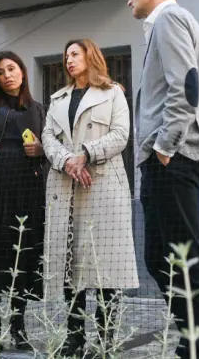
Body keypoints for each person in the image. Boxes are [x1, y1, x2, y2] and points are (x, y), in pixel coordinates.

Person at [128, 0, 199, 359]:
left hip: (171, 156)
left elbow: (186, 86)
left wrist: (165, 146)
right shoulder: (168, 24)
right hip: (164, 157)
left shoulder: (169, 20)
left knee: (183, 252)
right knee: (159, 255)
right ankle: (191, 338)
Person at [42, 39, 139, 358]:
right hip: (66, 189)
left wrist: (85, 155)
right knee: (71, 270)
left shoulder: (113, 93)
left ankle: (106, 339)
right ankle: (74, 339)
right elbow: (47, 137)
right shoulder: (58, 100)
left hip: (102, 190)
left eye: (75, 54)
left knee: (104, 269)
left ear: (90, 56)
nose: (68, 60)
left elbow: (121, 135)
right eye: (66, 55)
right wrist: (68, 161)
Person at [0, 50, 47, 352]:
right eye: (0, 72)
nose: (7, 75)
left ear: (23, 71)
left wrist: (40, 150)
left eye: (11, 69)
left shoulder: (38, 108)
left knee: (23, 254)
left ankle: (18, 327)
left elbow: (50, 146)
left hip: (29, 186)